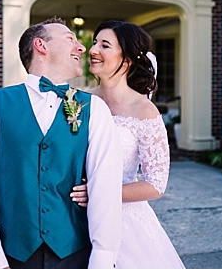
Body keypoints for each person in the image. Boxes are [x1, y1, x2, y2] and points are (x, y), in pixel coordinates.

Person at [0, 17, 122, 269]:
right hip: (10, 256)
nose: (81, 48)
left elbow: (106, 188)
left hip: (76, 255)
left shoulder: (95, 110)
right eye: (70, 39)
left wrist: (102, 260)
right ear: (41, 45)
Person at [70, 20, 185, 269]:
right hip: (73, 215)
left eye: (105, 45)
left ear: (128, 59)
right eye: (95, 43)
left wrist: (100, 194)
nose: (93, 50)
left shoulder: (144, 111)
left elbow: (155, 185)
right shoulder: (79, 103)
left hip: (123, 222)